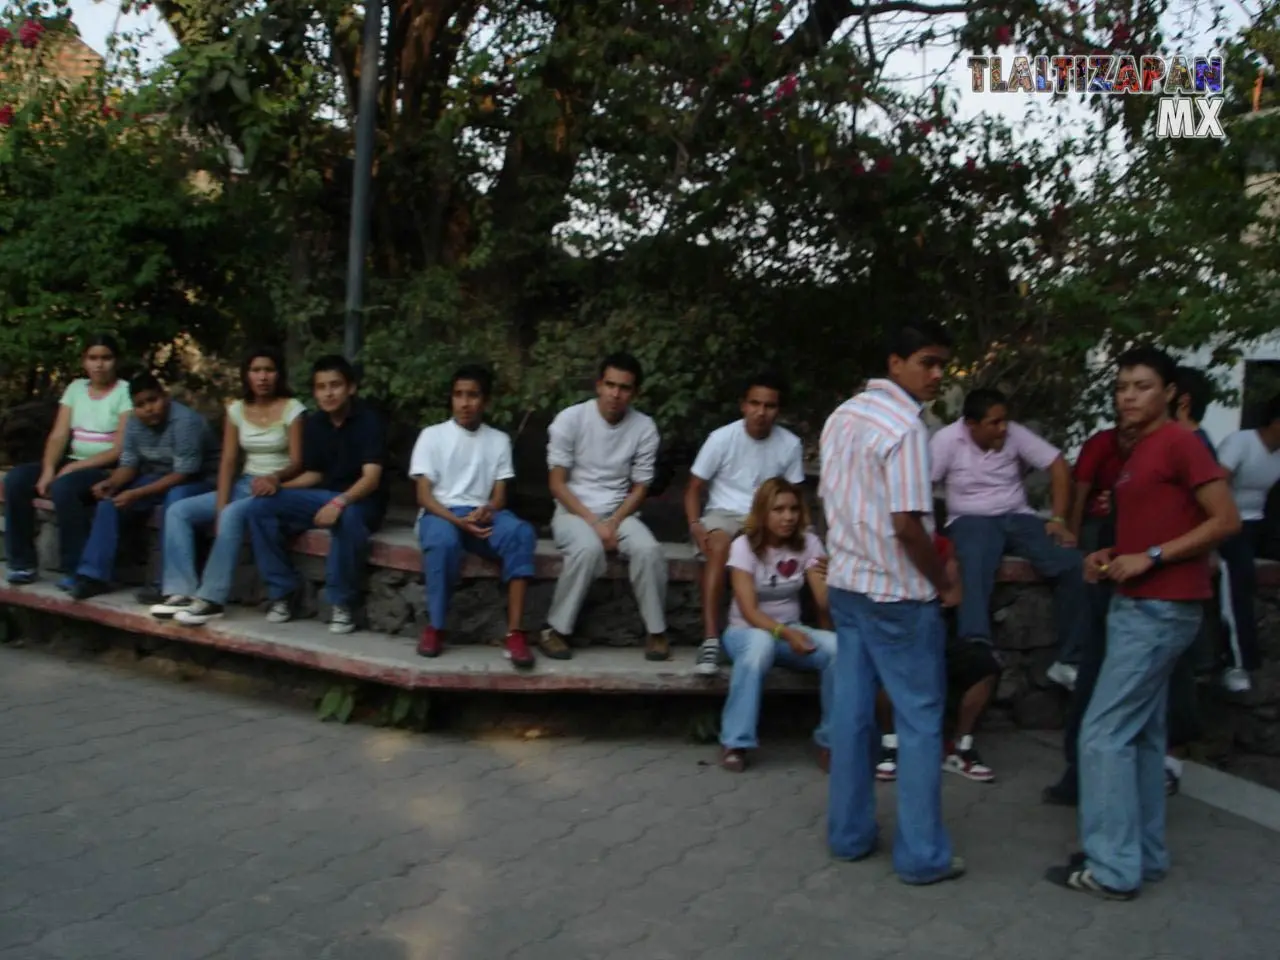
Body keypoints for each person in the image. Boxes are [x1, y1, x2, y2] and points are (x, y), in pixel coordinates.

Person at [1045, 346, 1239, 900]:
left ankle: (1111, 869)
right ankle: (1144, 856)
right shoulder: (1144, 448)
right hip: (1142, 603)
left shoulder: (1179, 441)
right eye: (1123, 386)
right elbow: (1158, 521)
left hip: (1159, 608)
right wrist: (1109, 553)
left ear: (1171, 394)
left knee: (1102, 735)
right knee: (1143, 736)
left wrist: (1150, 557)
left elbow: (1224, 521)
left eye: (1142, 386)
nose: (1128, 395)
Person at [820, 320, 965, 886]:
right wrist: (944, 583)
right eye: (926, 363)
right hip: (898, 593)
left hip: (849, 584)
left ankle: (849, 835)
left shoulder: (843, 416)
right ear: (895, 362)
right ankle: (922, 855)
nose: (935, 375)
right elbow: (906, 523)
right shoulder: (906, 428)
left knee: (853, 717)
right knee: (922, 720)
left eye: (940, 365)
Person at [930, 389, 1088, 692]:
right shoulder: (947, 441)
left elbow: (1057, 464)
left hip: (1018, 516)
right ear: (971, 425)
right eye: (995, 423)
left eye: (1005, 420)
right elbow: (923, 485)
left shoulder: (1014, 434)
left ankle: (1069, 660)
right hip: (970, 519)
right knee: (973, 562)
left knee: (1072, 564)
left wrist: (1057, 520)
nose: (1003, 428)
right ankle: (975, 650)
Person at [151, 347, 306, 625]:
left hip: (276, 487)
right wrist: (221, 505)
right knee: (178, 510)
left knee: (234, 515)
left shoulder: (293, 410)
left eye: (269, 370)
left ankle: (211, 599)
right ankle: (180, 591)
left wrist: (275, 478)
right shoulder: (236, 410)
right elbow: (228, 462)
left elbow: (297, 462)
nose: (262, 377)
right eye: (256, 371)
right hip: (244, 484)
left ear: (278, 374)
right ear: (246, 375)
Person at [242, 355, 388, 635]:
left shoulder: (369, 421)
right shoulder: (317, 423)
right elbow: (315, 474)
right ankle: (283, 592)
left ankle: (342, 604)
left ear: (351, 388)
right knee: (261, 507)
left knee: (348, 518)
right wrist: (278, 485)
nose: (328, 393)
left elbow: (371, 478)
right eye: (321, 387)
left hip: (361, 502)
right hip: (323, 497)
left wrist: (339, 502)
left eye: (335, 385)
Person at [541, 353, 668, 662]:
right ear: (598, 385)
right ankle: (555, 631)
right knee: (587, 549)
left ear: (634, 393)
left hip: (620, 514)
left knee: (649, 550)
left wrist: (612, 521)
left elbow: (641, 487)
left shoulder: (644, 427)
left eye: (624, 388)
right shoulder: (570, 419)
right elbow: (557, 483)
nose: (615, 394)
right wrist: (593, 522)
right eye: (610, 385)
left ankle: (657, 632)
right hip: (572, 512)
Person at [412, 365, 537, 670]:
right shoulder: (432, 436)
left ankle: (515, 633)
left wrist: (490, 510)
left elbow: (499, 494)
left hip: (481, 515)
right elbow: (424, 495)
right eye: (458, 395)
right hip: (440, 513)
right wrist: (457, 521)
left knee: (522, 533)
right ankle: (436, 628)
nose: (465, 403)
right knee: (442, 543)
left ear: (486, 401)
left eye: (473, 395)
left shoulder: (498, 440)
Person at [685, 372, 805, 676]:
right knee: (721, 544)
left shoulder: (789, 444)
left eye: (769, 406)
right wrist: (695, 524)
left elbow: (795, 496)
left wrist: (804, 529)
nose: (761, 412)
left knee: (805, 551)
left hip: (766, 516)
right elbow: (693, 489)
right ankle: (711, 638)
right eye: (755, 403)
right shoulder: (722, 438)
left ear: (778, 410)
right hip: (723, 513)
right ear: (743, 406)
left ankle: (795, 630)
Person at [66, 373, 220, 601]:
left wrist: (136, 493)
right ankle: (93, 577)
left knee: (174, 502)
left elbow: (183, 473)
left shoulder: (185, 422)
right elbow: (129, 464)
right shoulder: (134, 424)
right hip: (157, 476)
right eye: (140, 405)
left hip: (199, 480)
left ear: (165, 397)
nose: (149, 409)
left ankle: (164, 585)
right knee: (109, 504)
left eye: (153, 400)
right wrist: (112, 483)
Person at [718, 478, 835, 772]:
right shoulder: (743, 546)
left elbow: (823, 602)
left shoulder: (808, 543)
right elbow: (748, 610)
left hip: (791, 630)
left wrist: (835, 577)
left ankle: (832, 741)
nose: (788, 517)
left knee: (839, 649)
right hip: (746, 632)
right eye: (778, 509)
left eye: (794, 509)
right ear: (763, 512)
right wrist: (785, 634)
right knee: (759, 646)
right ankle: (736, 741)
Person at [5, 335, 133, 588]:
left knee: (65, 488)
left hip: (104, 468)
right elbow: (59, 434)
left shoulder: (125, 391)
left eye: (106, 358)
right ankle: (22, 564)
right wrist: (49, 469)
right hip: (70, 461)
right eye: (93, 358)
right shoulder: (76, 388)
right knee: (16, 480)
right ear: (84, 361)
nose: (99, 365)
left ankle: (75, 568)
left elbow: (120, 448)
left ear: (115, 361)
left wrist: (74, 468)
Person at [874, 533, 1001, 783]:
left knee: (985, 665)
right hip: (896, 631)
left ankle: (961, 747)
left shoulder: (942, 546)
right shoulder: (882, 543)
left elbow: (953, 596)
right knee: (884, 666)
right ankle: (891, 745)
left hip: (936, 629)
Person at [1213, 394, 1280, 693]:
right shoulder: (1241, 443)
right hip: (1226, 522)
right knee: (1238, 575)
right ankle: (1238, 662)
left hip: (1257, 524)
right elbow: (1215, 488)